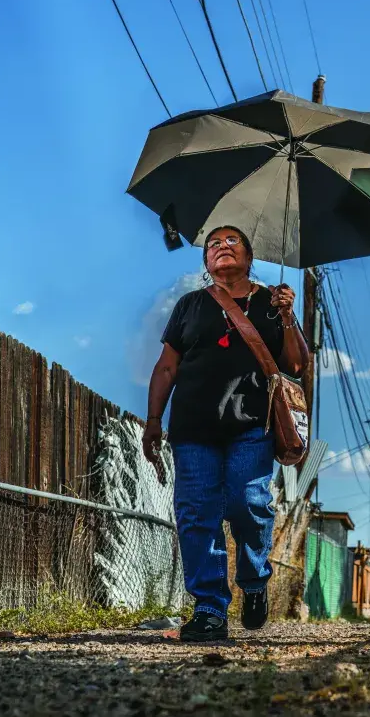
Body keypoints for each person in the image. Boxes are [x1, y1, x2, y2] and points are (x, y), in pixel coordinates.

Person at [142, 225, 309, 642]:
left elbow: (297, 363)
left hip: (253, 427)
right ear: (206, 263)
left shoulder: (274, 303)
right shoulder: (190, 305)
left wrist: (288, 318)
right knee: (197, 513)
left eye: (231, 240)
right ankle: (210, 608)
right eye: (213, 243)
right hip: (193, 429)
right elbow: (167, 367)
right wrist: (152, 421)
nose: (221, 246)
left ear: (250, 258)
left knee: (248, 503)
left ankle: (254, 582)